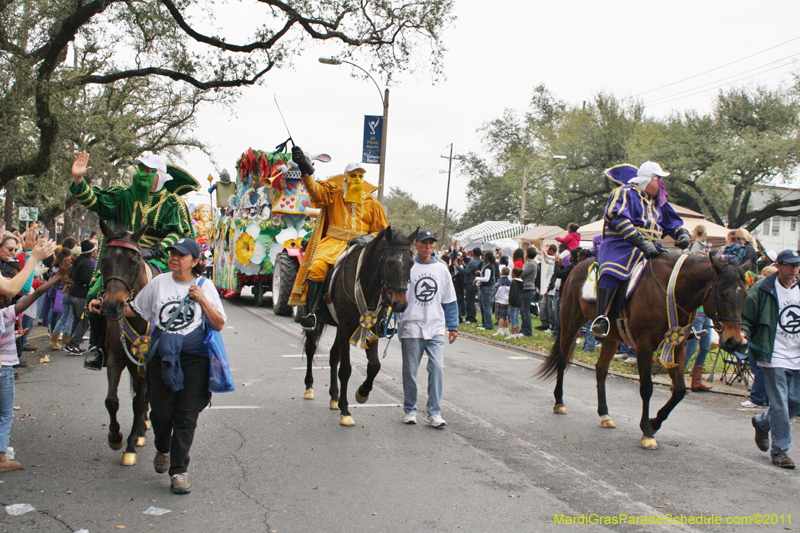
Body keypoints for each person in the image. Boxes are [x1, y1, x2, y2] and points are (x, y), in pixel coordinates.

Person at [95, 237, 227, 492]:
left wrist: (202, 299)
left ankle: (179, 472)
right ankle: (163, 448)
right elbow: (135, 309)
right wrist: (104, 305)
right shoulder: (157, 283)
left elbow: (219, 323)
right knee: (161, 413)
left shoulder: (205, 286)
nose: (174, 257)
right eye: (172, 253)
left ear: (196, 261)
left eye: (181, 254)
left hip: (194, 359)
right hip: (161, 357)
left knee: (187, 416)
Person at [69, 150, 197, 370]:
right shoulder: (124, 195)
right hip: (124, 254)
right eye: (140, 170)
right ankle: (98, 347)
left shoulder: (173, 203)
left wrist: (157, 249)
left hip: (158, 257)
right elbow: (95, 202)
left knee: (179, 293)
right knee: (94, 294)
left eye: (148, 171)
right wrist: (79, 179)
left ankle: (183, 345)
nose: (142, 174)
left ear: (160, 175)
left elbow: (181, 233)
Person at [288, 148, 389, 330]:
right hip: (332, 244)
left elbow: (382, 232)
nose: (357, 180)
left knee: (382, 271)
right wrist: (305, 168)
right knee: (317, 267)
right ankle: (312, 313)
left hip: (361, 247)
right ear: (345, 178)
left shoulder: (372, 204)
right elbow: (315, 191)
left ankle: (382, 318)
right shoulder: (333, 194)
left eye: (360, 176)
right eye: (353, 176)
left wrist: (365, 240)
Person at [591, 161, 691, 337]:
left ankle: (677, 324)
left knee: (674, 274)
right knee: (612, 271)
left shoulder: (659, 201)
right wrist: (642, 243)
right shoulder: (624, 193)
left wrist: (681, 233)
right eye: (658, 178)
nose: (662, 183)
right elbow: (618, 218)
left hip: (653, 247)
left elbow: (672, 222)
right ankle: (602, 319)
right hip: (621, 245)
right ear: (647, 179)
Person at [0, 251, 62, 472]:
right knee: (5, 413)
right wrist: (56, 278)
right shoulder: (6, 314)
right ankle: (1, 457)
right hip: (3, 371)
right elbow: (32, 296)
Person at [743, 249, 800, 469]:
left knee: (795, 402)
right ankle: (780, 452)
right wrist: (744, 333)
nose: (794, 270)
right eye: (789, 265)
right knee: (780, 404)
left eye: (797, 266)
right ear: (778, 266)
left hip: (797, 355)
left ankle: (762, 421)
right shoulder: (763, 288)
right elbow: (746, 316)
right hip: (772, 353)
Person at [397, 230, 458, 428]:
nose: (428, 247)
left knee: (437, 368)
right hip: (411, 326)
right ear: (416, 245)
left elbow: (449, 300)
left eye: (431, 244)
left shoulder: (442, 269)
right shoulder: (407, 267)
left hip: (435, 326)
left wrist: (453, 326)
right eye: (424, 243)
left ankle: (434, 412)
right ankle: (410, 409)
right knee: (410, 371)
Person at [63, 241, 97, 355]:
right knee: (84, 320)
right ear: (91, 252)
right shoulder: (87, 264)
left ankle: (73, 344)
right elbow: (88, 280)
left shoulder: (77, 261)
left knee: (77, 320)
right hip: (81, 295)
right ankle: (72, 344)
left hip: (73, 293)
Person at [457, 248, 482, 323]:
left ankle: (471, 317)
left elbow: (466, 272)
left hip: (470, 282)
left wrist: (457, 266)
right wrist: (463, 265)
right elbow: (469, 270)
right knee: (470, 300)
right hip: (474, 282)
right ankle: (469, 316)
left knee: (470, 300)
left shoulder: (473, 263)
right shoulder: (479, 262)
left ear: (473, 253)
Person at [537, 244, 558, 332]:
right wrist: (544, 252)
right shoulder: (552, 261)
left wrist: (544, 252)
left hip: (551, 289)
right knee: (543, 306)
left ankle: (552, 324)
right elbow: (546, 260)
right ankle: (544, 323)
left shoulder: (556, 259)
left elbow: (548, 257)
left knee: (550, 308)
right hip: (546, 287)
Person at [474, 250, 496, 330]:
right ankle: (484, 323)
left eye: (484, 255)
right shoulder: (487, 266)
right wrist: (480, 273)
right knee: (483, 305)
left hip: (487, 288)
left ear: (487, 257)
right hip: (485, 288)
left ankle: (488, 325)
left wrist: (477, 278)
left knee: (486, 307)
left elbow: (486, 279)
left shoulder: (488, 267)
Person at [520, 248, 538, 337]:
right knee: (523, 310)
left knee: (525, 310)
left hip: (528, 288)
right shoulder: (530, 264)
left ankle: (527, 330)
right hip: (526, 288)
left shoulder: (531, 265)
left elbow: (521, 273)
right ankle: (524, 328)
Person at [493, 266, 511, 337]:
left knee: (500, 316)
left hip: (500, 300)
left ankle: (500, 330)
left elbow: (498, 289)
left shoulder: (500, 281)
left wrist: (496, 297)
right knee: (505, 316)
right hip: (506, 300)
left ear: (502, 273)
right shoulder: (509, 282)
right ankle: (506, 330)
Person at [508, 266, 523, 339]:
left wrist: (510, 302)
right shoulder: (521, 282)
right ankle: (517, 333)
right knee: (516, 317)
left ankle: (512, 333)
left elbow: (513, 293)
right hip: (519, 302)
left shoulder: (514, 282)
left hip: (514, 302)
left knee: (513, 317)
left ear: (513, 274)